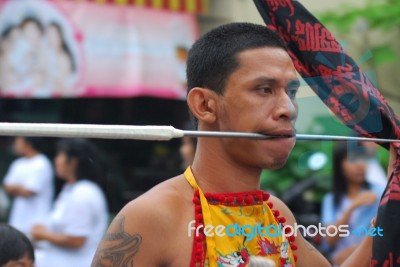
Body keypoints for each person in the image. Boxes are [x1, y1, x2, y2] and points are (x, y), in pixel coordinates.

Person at [91, 19, 382, 267]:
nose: (288, 109)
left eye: (291, 92)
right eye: (264, 89)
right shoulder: (153, 217)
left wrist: (390, 208)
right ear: (205, 105)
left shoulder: (277, 215)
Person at [31, 138, 108, 267]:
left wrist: (42, 234)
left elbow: (77, 239)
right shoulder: (71, 189)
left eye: (60, 155)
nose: (56, 160)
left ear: (73, 161)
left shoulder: (83, 192)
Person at [321, 142, 385, 265]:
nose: (360, 165)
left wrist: (355, 251)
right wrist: (352, 208)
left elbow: (387, 232)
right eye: (352, 160)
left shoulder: (380, 192)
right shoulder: (330, 199)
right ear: (340, 165)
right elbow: (329, 240)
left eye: (362, 158)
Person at [3, 136, 54, 237]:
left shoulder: (42, 163)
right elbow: (6, 187)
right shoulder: (17, 163)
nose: (15, 146)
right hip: (17, 221)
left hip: (37, 223)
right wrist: (20, 188)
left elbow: (29, 191)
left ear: (28, 144)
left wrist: (16, 187)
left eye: (18, 142)